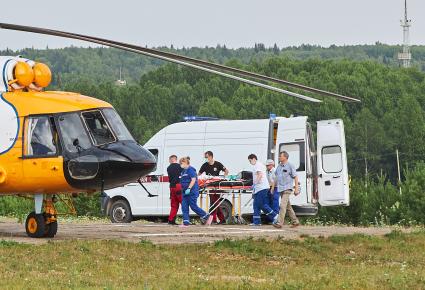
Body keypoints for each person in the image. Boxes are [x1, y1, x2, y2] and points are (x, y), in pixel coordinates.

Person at [179, 157, 212, 227]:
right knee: (184, 207)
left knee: (193, 206)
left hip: (192, 191)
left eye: (181, 163)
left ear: (185, 163)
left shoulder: (191, 170)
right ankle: (186, 222)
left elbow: (193, 180)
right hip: (184, 192)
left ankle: (207, 216)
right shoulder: (183, 171)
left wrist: (189, 188)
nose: (180, 165)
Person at [247, 154, 279, 226]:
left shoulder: (257, 165)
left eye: (250, 161)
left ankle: (275, 216)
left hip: (262, 188)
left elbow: (260, 175)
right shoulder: (258, 165)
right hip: (259, 188)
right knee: (256, 205)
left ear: (254, 159)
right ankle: (256, 221)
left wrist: (254, 184)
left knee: (261, 204)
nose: (250, 162)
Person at [198, 151, 229, 224]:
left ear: (211, 156)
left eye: (207, 157)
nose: (206, 158)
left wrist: (224, 177)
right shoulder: (205, 165)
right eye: (205, 157)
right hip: (209, 186)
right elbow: (199, 174)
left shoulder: (218, 164)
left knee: (214, 202)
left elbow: (226, 171)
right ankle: (221, 219)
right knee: (215, 202)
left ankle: (214, 219)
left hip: (217, 186)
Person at [273, 151, 300, 228]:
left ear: (285, 157)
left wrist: (296, 189)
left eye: (280, 156)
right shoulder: (279, 166)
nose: (279, 157)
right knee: (288, 207)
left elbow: (295, 176)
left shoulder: (290, 165)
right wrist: (272, 188)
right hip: (281, 189)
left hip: (287, 188)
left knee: (282, 205)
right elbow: (276, 178)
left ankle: (279, 223)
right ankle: (295, 221)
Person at [167, 155, 183, 225]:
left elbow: (170, 179)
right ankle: (186, 219)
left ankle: (171, 220)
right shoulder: (180, 166)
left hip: (172, 186)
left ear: (171, 160)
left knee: (174, 204)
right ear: (176, 159)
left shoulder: (168, 168)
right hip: (178, 186)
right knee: (183, 203)